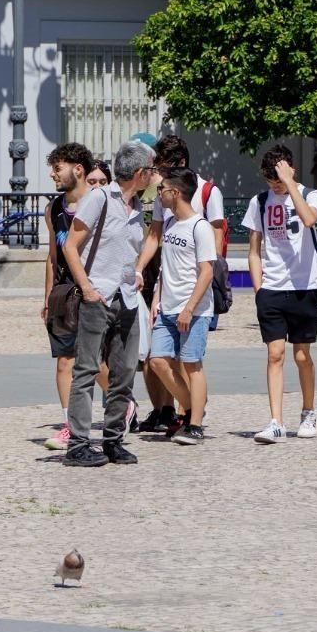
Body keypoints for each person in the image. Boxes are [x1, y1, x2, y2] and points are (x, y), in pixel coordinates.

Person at [60, 140, 155, 466]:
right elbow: (70, 246)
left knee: (124, 372)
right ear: (140, 173)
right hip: (97, 297)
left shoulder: (136, 207)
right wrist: (86, 288)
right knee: (86, 370)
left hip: (127, 298)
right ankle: (78, 445)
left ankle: (113, 440)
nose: (154, 176)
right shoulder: (99, 198)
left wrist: (135, 273)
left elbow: (125, 251)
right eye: (151, 170)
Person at [133, 136, 226, 434]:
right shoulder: (165, 201)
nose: (157, 176)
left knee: (189, 360)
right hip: (167, 281)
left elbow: (214, 246)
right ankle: (182, 409)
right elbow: (154, 236)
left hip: (194, 289)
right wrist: (141, 271)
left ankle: (191, 417)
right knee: (158, 358)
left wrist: (198, 295)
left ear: (180, 164)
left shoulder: (207, 194)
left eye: (163, 168)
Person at [244, 146, 317, 444]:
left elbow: (308, 219)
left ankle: (308, 411)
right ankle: (276, 421)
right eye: (271, 181)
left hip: (304, 286)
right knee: (275, 354)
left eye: (278, 180)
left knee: (302, 355)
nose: (275, 186)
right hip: (273, 288)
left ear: (291, 170)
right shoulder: (259, 201)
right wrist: (259, 289)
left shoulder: (310, 195)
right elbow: (254, 250)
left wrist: (290, 184)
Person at [143, 167, 216, 446]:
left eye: (162, 190)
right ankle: (193, 407)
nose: (158, 194)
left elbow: (206, 271)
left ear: (175, 192)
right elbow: (167, 267)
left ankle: (194, 424)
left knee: (191, 364)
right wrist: (157, 298)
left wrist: (189, 308)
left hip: (193, 310)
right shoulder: (171, 223)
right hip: (167, 306)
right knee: (158, 360)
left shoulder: (200, 227)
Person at [41, 143, 103, 452]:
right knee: (65, 361)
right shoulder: (53, 209)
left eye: (58, 168)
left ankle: (122, 402)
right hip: (65, 294)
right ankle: (71, 425)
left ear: (78, 170)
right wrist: (47, 297)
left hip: (96, 291)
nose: (53, 174)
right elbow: (53, 257)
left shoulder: (100, 204)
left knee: (97, 363)